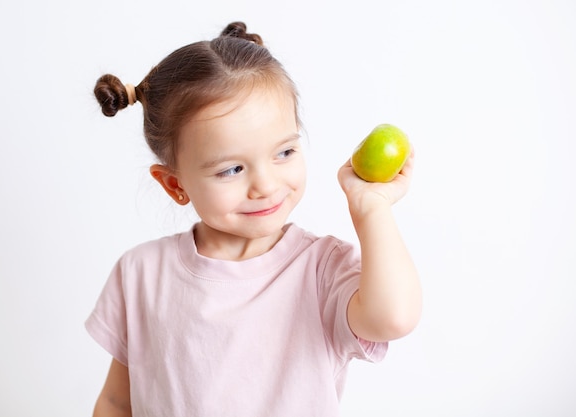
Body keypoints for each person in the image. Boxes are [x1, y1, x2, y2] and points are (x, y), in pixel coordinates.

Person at [86, 21, 421, 417]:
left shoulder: (320, 270)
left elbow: (393, 319)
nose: (265, 185)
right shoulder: (140, 273)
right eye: (231, 169)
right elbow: (116, 402)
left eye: (284, 153)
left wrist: (371, 209)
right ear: (175, 184)